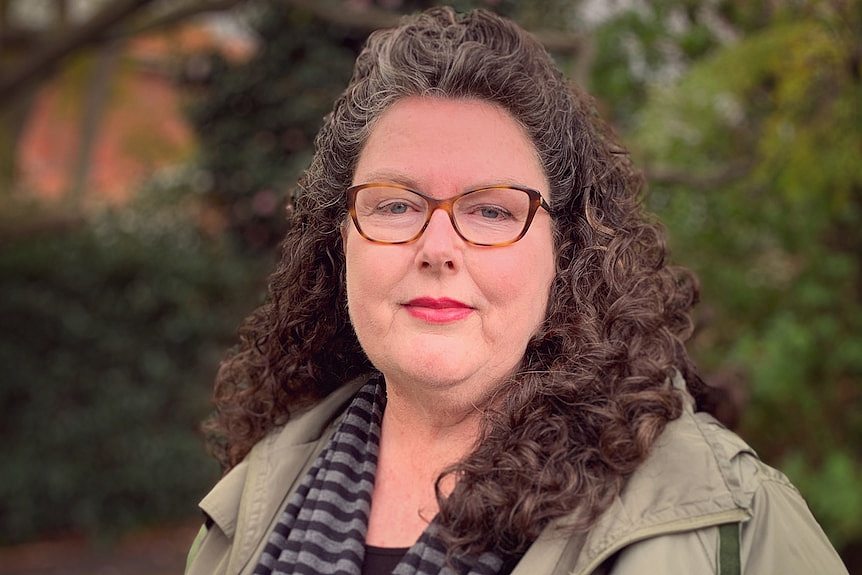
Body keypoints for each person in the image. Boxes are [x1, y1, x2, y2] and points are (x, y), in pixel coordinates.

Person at [184, 7, 848, 575]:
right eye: (394, 205)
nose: (437, 248)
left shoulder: (729, 517)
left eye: (492, 210)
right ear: (341, 238)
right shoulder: (249, 508)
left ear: (567, 249)